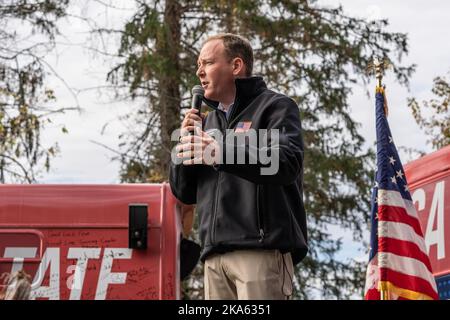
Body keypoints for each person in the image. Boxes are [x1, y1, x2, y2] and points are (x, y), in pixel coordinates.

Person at [169, 33, 307, 300]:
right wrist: (184, 143)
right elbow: (184, 192)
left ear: (236, 66)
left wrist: (219, 152)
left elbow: (286, 162)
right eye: (198, 65)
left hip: (260, 252)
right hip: (213, 259)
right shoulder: (206, 124)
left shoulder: (275, 107)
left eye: (207, 63)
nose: (199, 72)